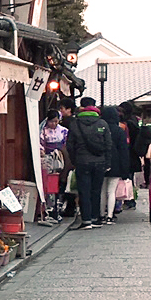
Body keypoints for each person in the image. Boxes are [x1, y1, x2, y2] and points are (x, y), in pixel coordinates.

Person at [66, 94, 114, 230]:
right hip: (99, 162)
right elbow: (108, 145)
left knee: (84, 191)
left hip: (82, 161)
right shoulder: (102, 123)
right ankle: (95, 218)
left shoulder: (75, 124)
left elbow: (70, 145)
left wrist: (75, 160)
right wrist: (107, 162)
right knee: (96, 190)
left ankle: (86, 220)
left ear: (82, 107)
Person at [101, 105, 134, 221]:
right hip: (116, 164)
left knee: (102, 191)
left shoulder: (101, 129)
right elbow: (124, 151)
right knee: (111, 191)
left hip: (102, 163)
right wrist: (125, 170)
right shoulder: (119, 131)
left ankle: (101, 214)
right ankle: (110, 215)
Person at [39, 111, 68, 222]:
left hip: (61, 157)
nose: (54, 124)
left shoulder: (64, 130)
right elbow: (40, 143)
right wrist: (41, 151)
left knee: (60, 182)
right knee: (49, 184)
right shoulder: (43, 131)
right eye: (51, 121)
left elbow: (67, 143)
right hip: (47, 159)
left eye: (56, 121)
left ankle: (58, 207)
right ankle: (50, 209)